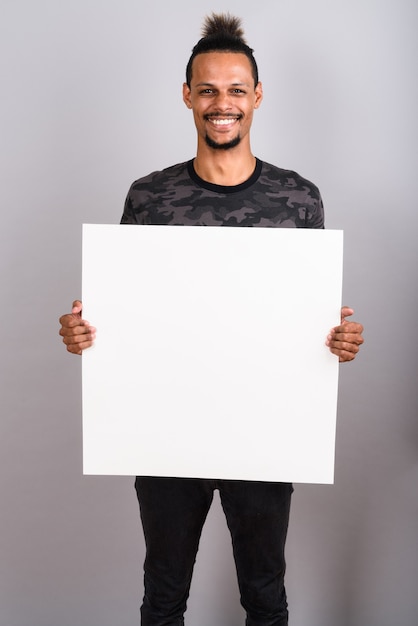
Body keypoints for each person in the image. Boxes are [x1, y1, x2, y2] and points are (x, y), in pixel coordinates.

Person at [59, 13, 364, 626]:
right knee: (164, 596)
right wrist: (83, 332)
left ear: (256, 97)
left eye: (234, 90)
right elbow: (120, 312)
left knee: (265, 594)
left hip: (265, 431)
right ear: (186, 96)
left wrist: (339, 340)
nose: (220, 104)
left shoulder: (299, 198)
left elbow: (310, 319)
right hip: (166, 432)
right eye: (206, 90)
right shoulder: (148, 197)